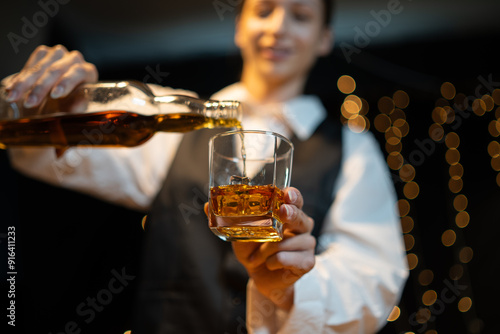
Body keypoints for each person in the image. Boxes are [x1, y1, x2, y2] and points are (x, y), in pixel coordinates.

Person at [3, 0, 409, 333]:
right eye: (264, 10)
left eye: (300, 16)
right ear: (239, 26)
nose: (278, 28)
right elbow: (43, 154)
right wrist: (59, 105)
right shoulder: (173, 116)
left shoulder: (352, 148)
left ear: (323, 40)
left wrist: (291, 292)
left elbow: (374, 278)